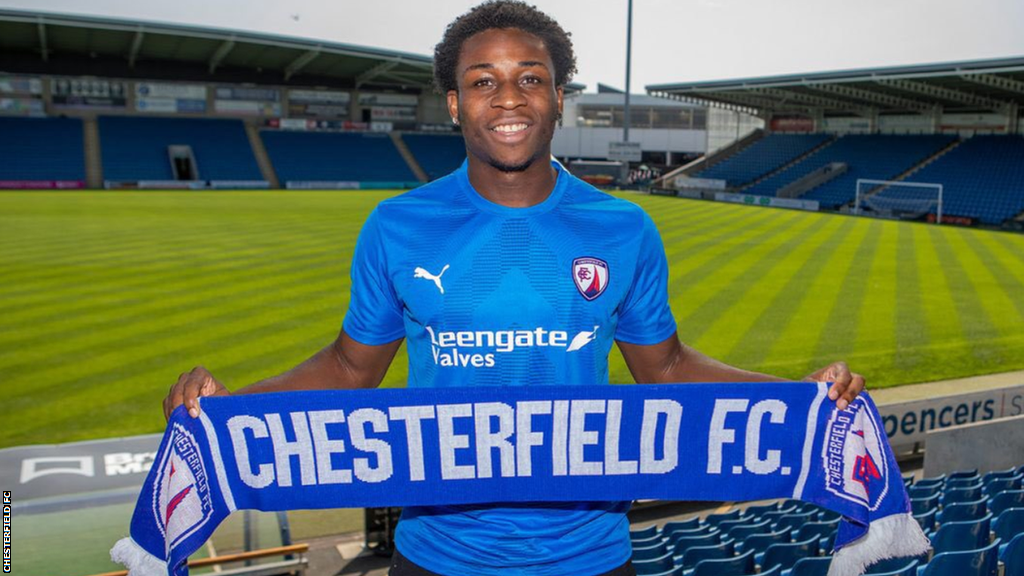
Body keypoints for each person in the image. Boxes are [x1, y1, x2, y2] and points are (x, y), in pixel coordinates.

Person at [163, 2, 865, 575]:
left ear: (559, 97)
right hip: (438, 555)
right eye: (482, 80)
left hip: (588, 554)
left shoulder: (623, 227)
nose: (507, 97)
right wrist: (226, 407)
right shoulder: (397, 224)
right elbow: (350, 367)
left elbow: (670, 368)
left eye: (530, 78)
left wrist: (799, 397)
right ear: (454, 102)